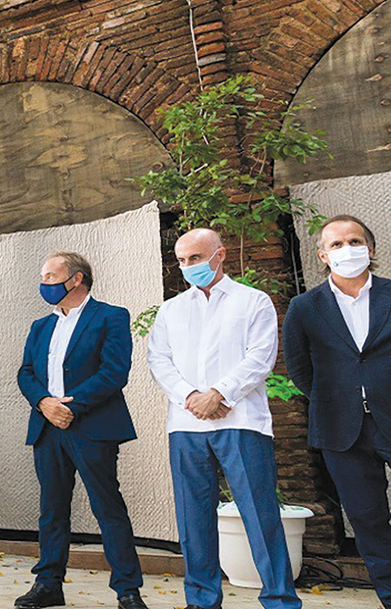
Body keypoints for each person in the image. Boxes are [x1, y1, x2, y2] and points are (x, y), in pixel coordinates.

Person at [148, 228, 302, 609]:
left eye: (195, 258)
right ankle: (201, 600)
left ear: (220, 255)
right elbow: (158, 360)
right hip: (186, 424)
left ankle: (280, 599)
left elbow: (261, 356)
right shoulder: (171, 310)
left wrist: (219, 393)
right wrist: (191, 397)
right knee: (193, 518)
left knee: (259, 512)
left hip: (242, 421)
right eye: (182, 260)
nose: (187, 267)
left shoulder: (253, 301)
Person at [15, 252, 148, 609]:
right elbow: (25, 373)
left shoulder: (111, 316)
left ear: (75, 279)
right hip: (48, 427)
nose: (43, 283)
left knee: (108, 507)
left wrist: (69, 407)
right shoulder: (41, 326)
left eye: (49, 276)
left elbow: (114, 372)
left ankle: (127, 590)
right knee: (52, 509)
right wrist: (45, 403)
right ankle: (48, 584)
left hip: (92, 427)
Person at [283, 214, 391, 607]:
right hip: (342, 431)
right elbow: (299, 367)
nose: (348, 250)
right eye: (337, 245)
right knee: (368, 519)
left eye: (355, 241)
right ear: (323, 255)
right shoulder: (305, 307)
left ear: (371, 248)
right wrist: (336, 400)